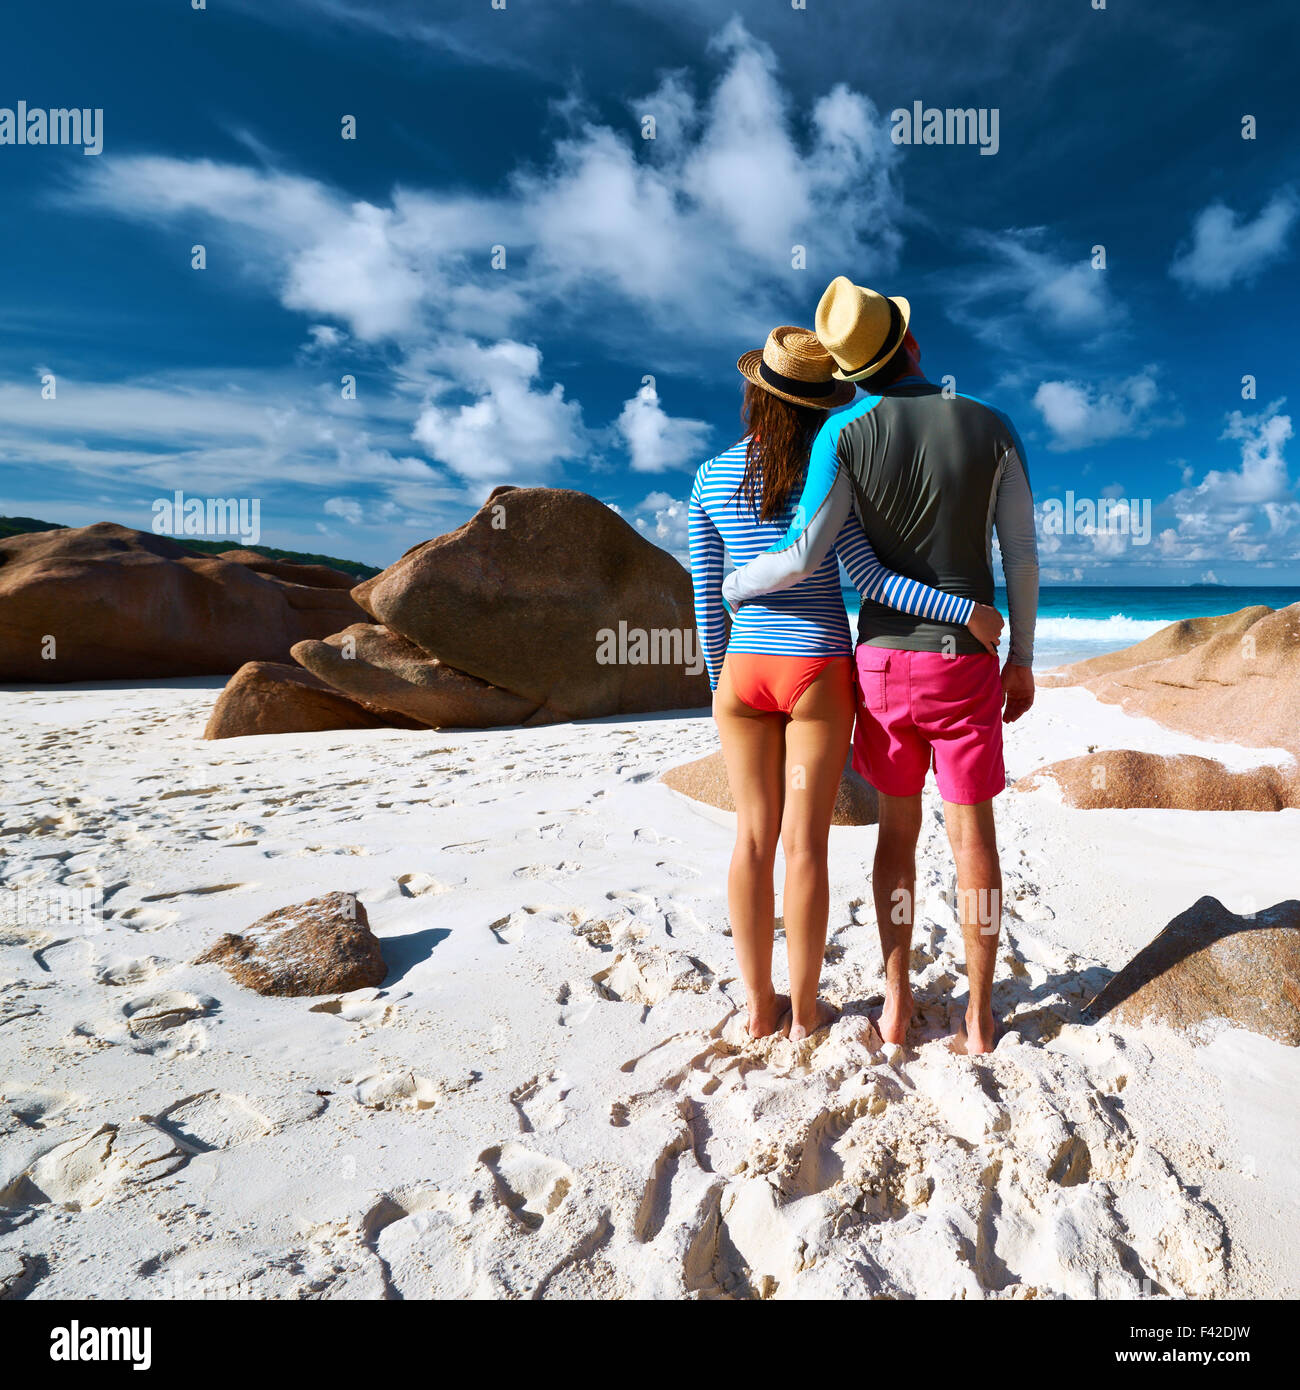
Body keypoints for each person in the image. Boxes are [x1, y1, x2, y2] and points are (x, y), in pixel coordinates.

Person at [722, 279, 1039, 1056]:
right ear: (913, 346)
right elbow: (1021, 555)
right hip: (965, 662)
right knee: (975, 845)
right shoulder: (992, 424)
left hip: (884, 669)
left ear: (854, 374)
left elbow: (807, 555)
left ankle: (895, 1002)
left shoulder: (844, 435)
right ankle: (979, 1016)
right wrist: (1022, 655)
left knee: (894, 840)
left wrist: (732, 587)